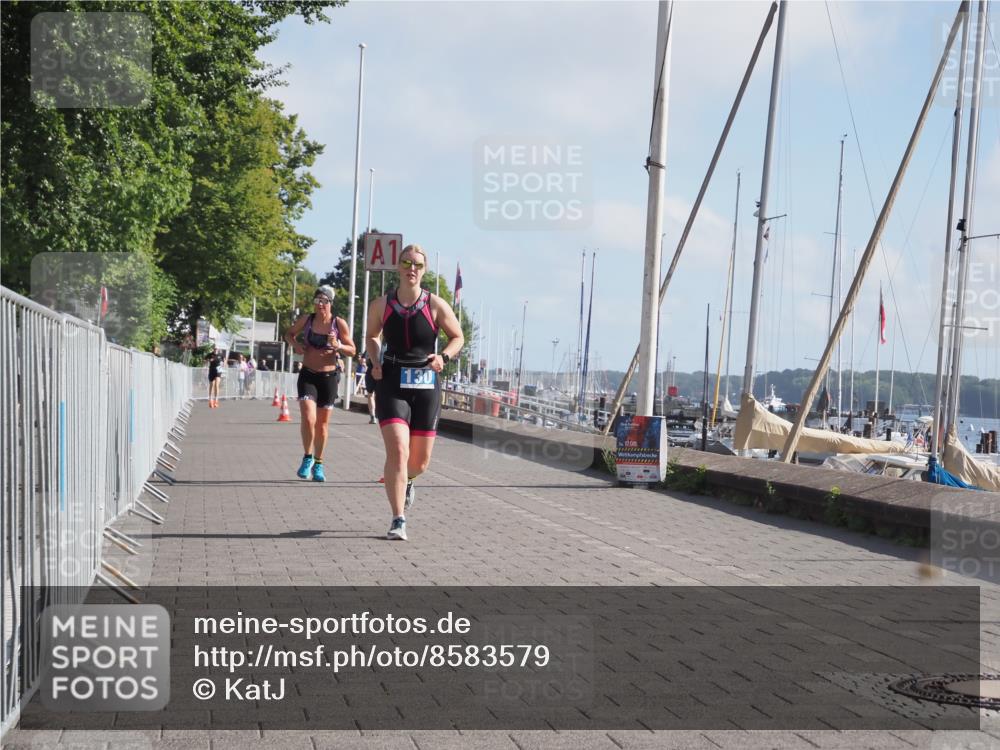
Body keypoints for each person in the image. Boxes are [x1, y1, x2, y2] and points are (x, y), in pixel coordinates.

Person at [366, 244, 464, 540]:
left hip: (425, 385)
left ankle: (408, 480)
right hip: (392, 382)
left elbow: (457, 337)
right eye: (406, 263)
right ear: (398, 266)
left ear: (424, 271)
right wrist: (375, 361)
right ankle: (398, 519)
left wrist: (442, 357)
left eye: (417, 265)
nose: (412, 268)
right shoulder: (382, 304)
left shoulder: (435, 305)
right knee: (398, 449)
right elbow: (371, 335)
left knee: (419, 462)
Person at [284, 285, 356, 482]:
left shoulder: (338, 324)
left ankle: (319, 463)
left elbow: (353, 350)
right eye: (317, 301)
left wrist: (338, 345)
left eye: (324, 301)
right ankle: (307, 457)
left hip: (328, 378)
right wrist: (296, 345)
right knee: (308, 418)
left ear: (330, 303)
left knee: (322, 425)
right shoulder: (307, 320)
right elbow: (288, 334)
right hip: (308, 375)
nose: (320, 305)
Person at [363, 353, 377, 424]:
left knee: (370, 395)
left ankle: (373, 416)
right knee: (382, 395)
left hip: (371, 371)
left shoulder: (369, 346)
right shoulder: (386, 345)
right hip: (383, 371)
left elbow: (363, 360)